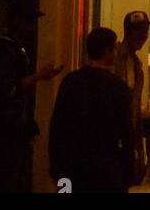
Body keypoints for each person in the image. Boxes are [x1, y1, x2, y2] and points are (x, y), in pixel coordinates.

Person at [47, 27, 135, 193]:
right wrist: (129, 172)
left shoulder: (70, 82)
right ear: (108, 51)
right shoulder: (118, 87)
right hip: (107, 168)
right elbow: (126, 132)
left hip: (74, 167)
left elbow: (57, 127)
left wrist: (56, 169)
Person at [0, 24, 62, 193]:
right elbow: (7, 88)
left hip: (15, 126)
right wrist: (39, 76)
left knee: (12, 176)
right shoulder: (5, 49)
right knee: (7, 177)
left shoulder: (12, 47)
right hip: (9, 127)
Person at [113, 10, 150, 184]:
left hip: (130, 122)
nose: (144, 36)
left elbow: (134, 104)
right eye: (140, 32)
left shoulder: (136, 64)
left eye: (146, 31)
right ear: (129, 32)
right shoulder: (114, 59)